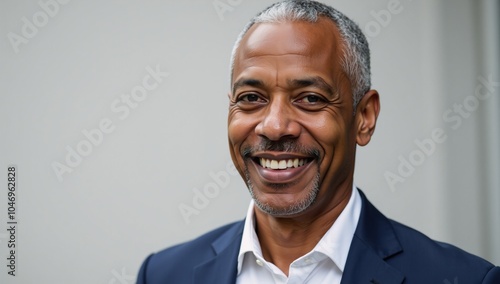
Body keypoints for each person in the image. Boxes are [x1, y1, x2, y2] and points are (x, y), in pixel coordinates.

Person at [137, 1, 500, 283]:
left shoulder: (464, 278)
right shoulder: (163, 275)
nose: (275, 127)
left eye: (310, 98)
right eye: (251, 98)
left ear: (364, 117)